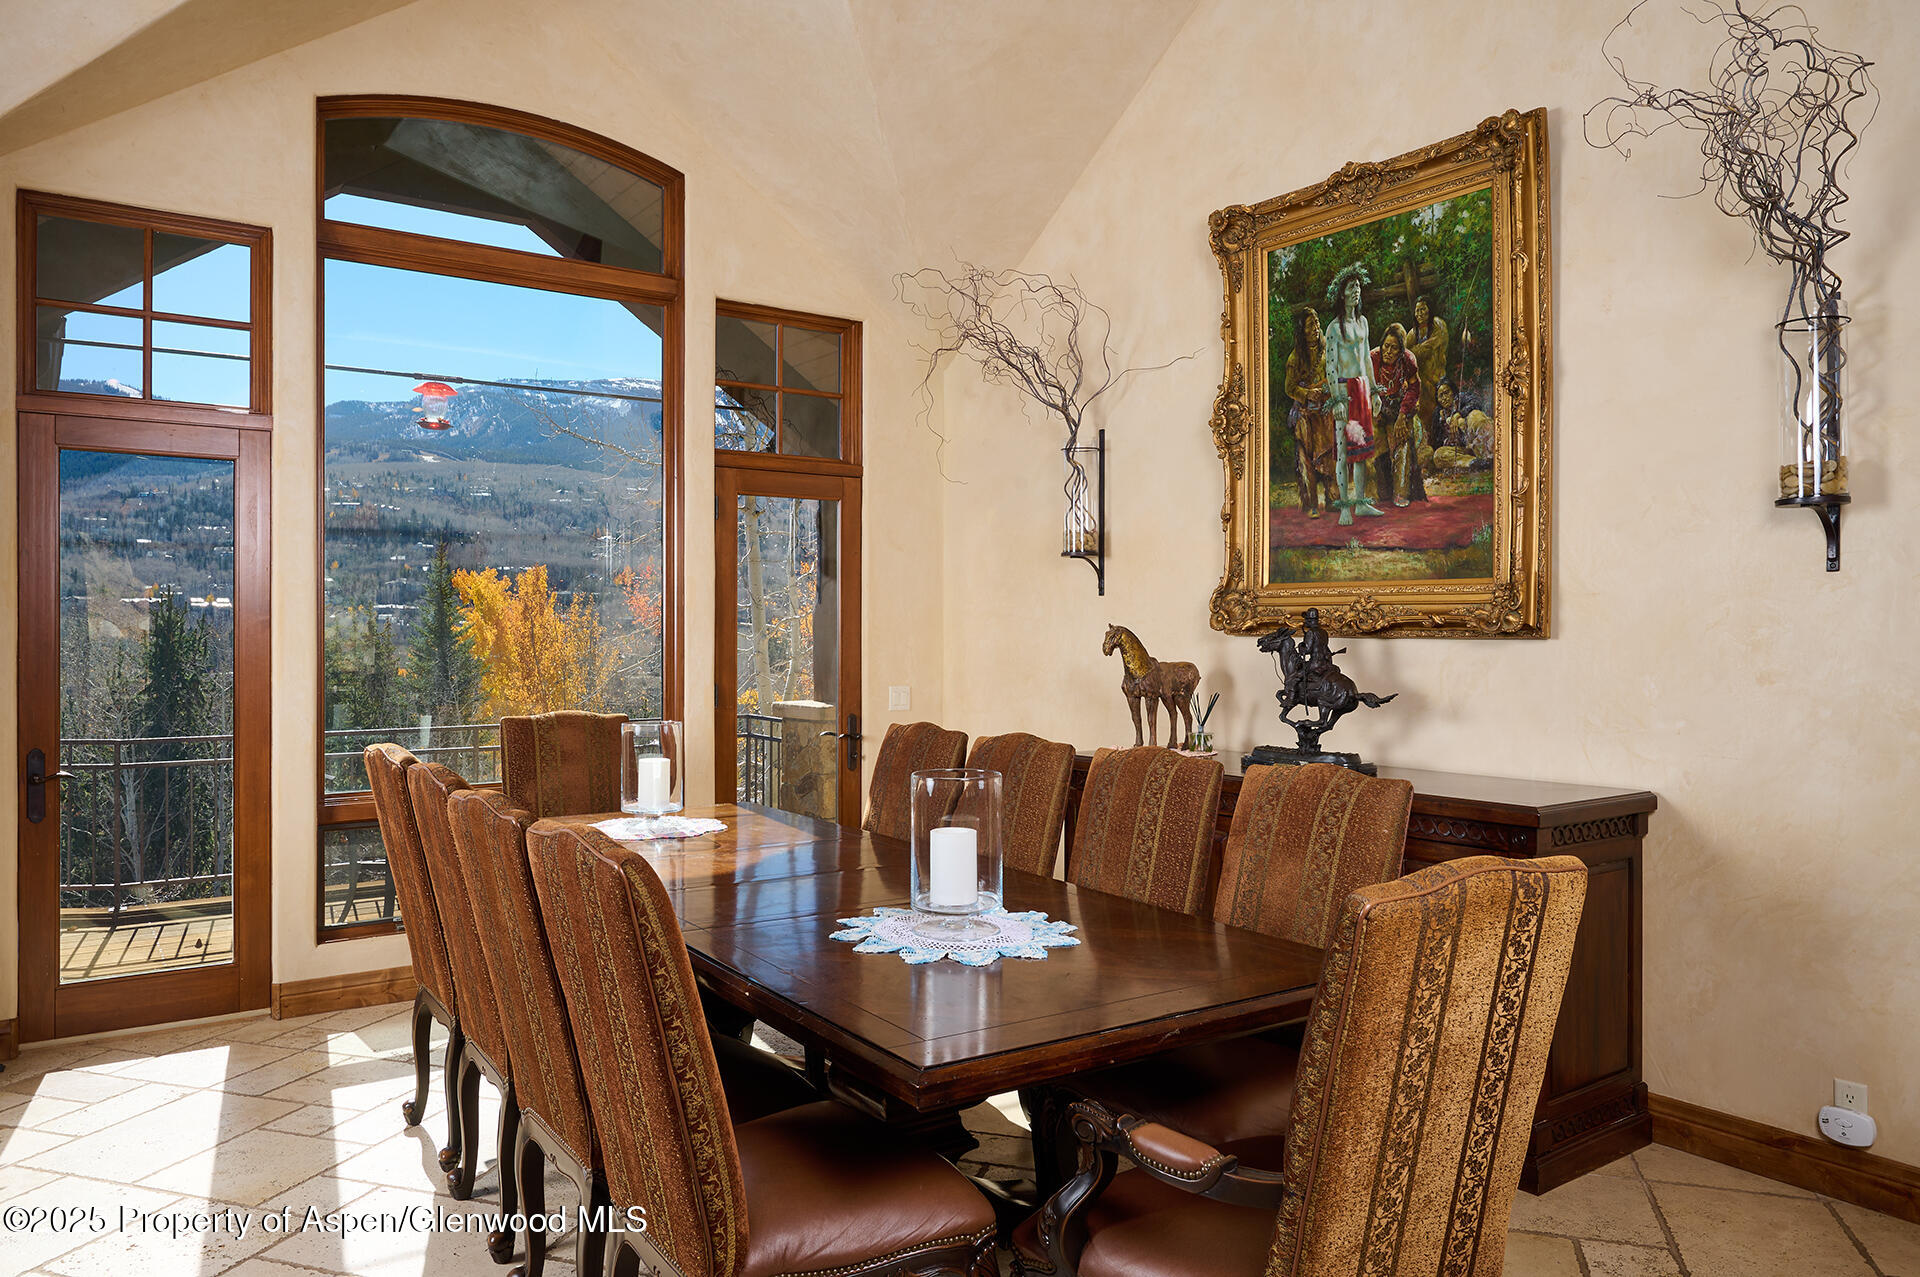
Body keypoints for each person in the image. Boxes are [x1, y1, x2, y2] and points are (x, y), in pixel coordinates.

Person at [1321, 264, 1383, 525]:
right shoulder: (1334, 328)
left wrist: (1375, 392)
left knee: (1361, 450)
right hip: (1344, 391)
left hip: (1361, 389)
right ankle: (1345, 508)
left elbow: (1367, 360)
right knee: (1343, 450)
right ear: (1342, 294)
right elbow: (1331, 365)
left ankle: (1360, 504)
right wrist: (1336, 399)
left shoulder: (1363, 322)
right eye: (1351, 287)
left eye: (1358, 286)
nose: (1356, 291)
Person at [1281, 305, 1337, 517]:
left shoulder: (1328, 350)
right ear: (1302, 330)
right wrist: (1307, 393)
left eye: (1317, 323)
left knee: (1329, 457)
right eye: (1310, 324)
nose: (1316, 327)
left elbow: (1336, 374)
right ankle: (1310, 505)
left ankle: (1333, 501)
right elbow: (1289, 388)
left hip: (1325, 413)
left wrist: (1327, 389)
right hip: (1305, 415)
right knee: (1305, 459)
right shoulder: (1295, 358)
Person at [1371, 324, 1425, 507]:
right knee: (1377, 443)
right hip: (1377, 407)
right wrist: (1373, 410)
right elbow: (1363, 386)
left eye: (1394, 348)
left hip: (1400, 406)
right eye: (1386, 346)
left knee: (1402, 441)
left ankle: (1401, 493)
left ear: (1401, 350)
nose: (1388, 351)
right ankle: (1383, 492)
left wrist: (1403, 415)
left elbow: (1414, 387)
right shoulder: (1373, 358)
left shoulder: (1408, 360)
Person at [1409, 296, 1449, 455]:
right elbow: (1407, 353)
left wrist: (1416, 351)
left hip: (1436, 376)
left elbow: (1435, 344)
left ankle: (1441, 445)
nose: (1419, 313)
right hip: (1422, 380)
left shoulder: (1438, 325)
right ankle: (1427, 447)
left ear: (1429, 310)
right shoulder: (1413, 333)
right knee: (1424, 412)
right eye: (1417, 310)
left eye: (1423, 309)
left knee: (1439, 410)